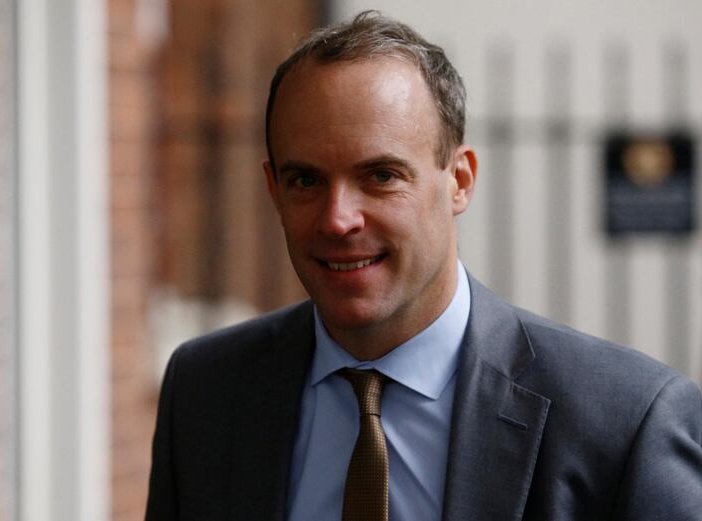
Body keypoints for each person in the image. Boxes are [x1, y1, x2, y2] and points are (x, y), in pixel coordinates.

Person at [145, 11, 702, 521]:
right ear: (273, 189)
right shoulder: (206, 391)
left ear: (458, 181)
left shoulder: (628, 421)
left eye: (380, 176)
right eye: (306, 180)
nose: (338, 219)